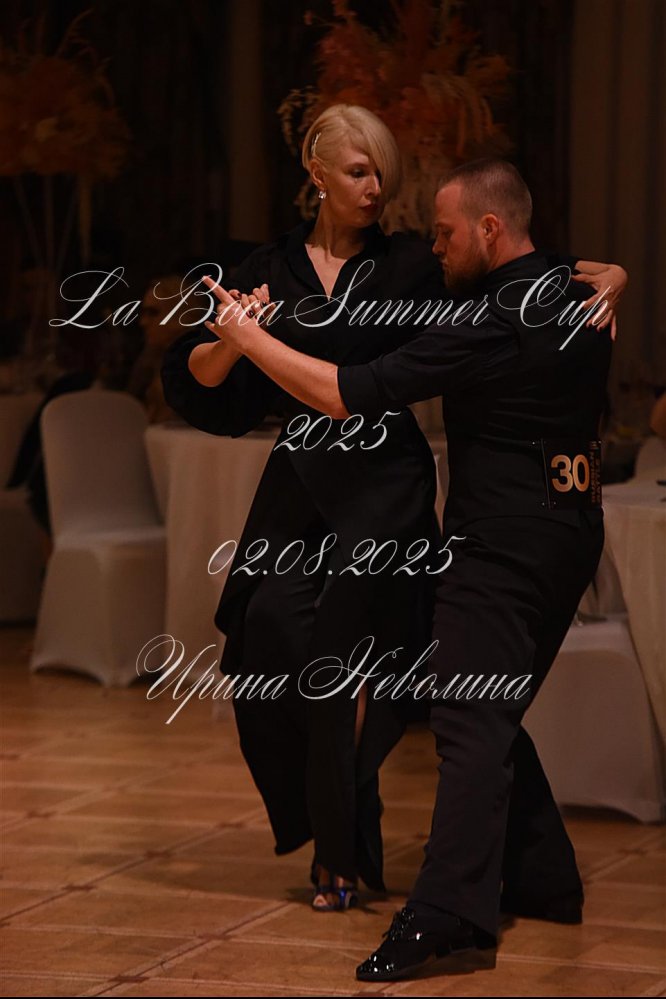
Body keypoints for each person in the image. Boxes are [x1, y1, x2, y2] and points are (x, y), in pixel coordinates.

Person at [197, 157, 619, 980]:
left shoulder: (487, 322)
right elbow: (589, 267)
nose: (435, 245)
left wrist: (249, 339)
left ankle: (448, 913)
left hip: (502, 543)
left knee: (467, 715)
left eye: (446, 231)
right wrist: (620, 275)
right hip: (572, 529)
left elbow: (341, 393)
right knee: (484, 703)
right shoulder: (569, 295)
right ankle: (543, 874)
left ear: (490, 229)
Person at [162, 104, 446, 911]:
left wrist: (604, 272)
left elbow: (504, 282)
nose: (375, 185)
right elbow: (201, 381)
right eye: (359, 170)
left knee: (344, 666)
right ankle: (336, 821)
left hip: (384, 483)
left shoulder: (409, 266)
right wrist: (232, 338)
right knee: (268, 638)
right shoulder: (269, 267)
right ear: (316, 173)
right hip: (300, 480)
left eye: (382, 171)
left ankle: (337, 853)